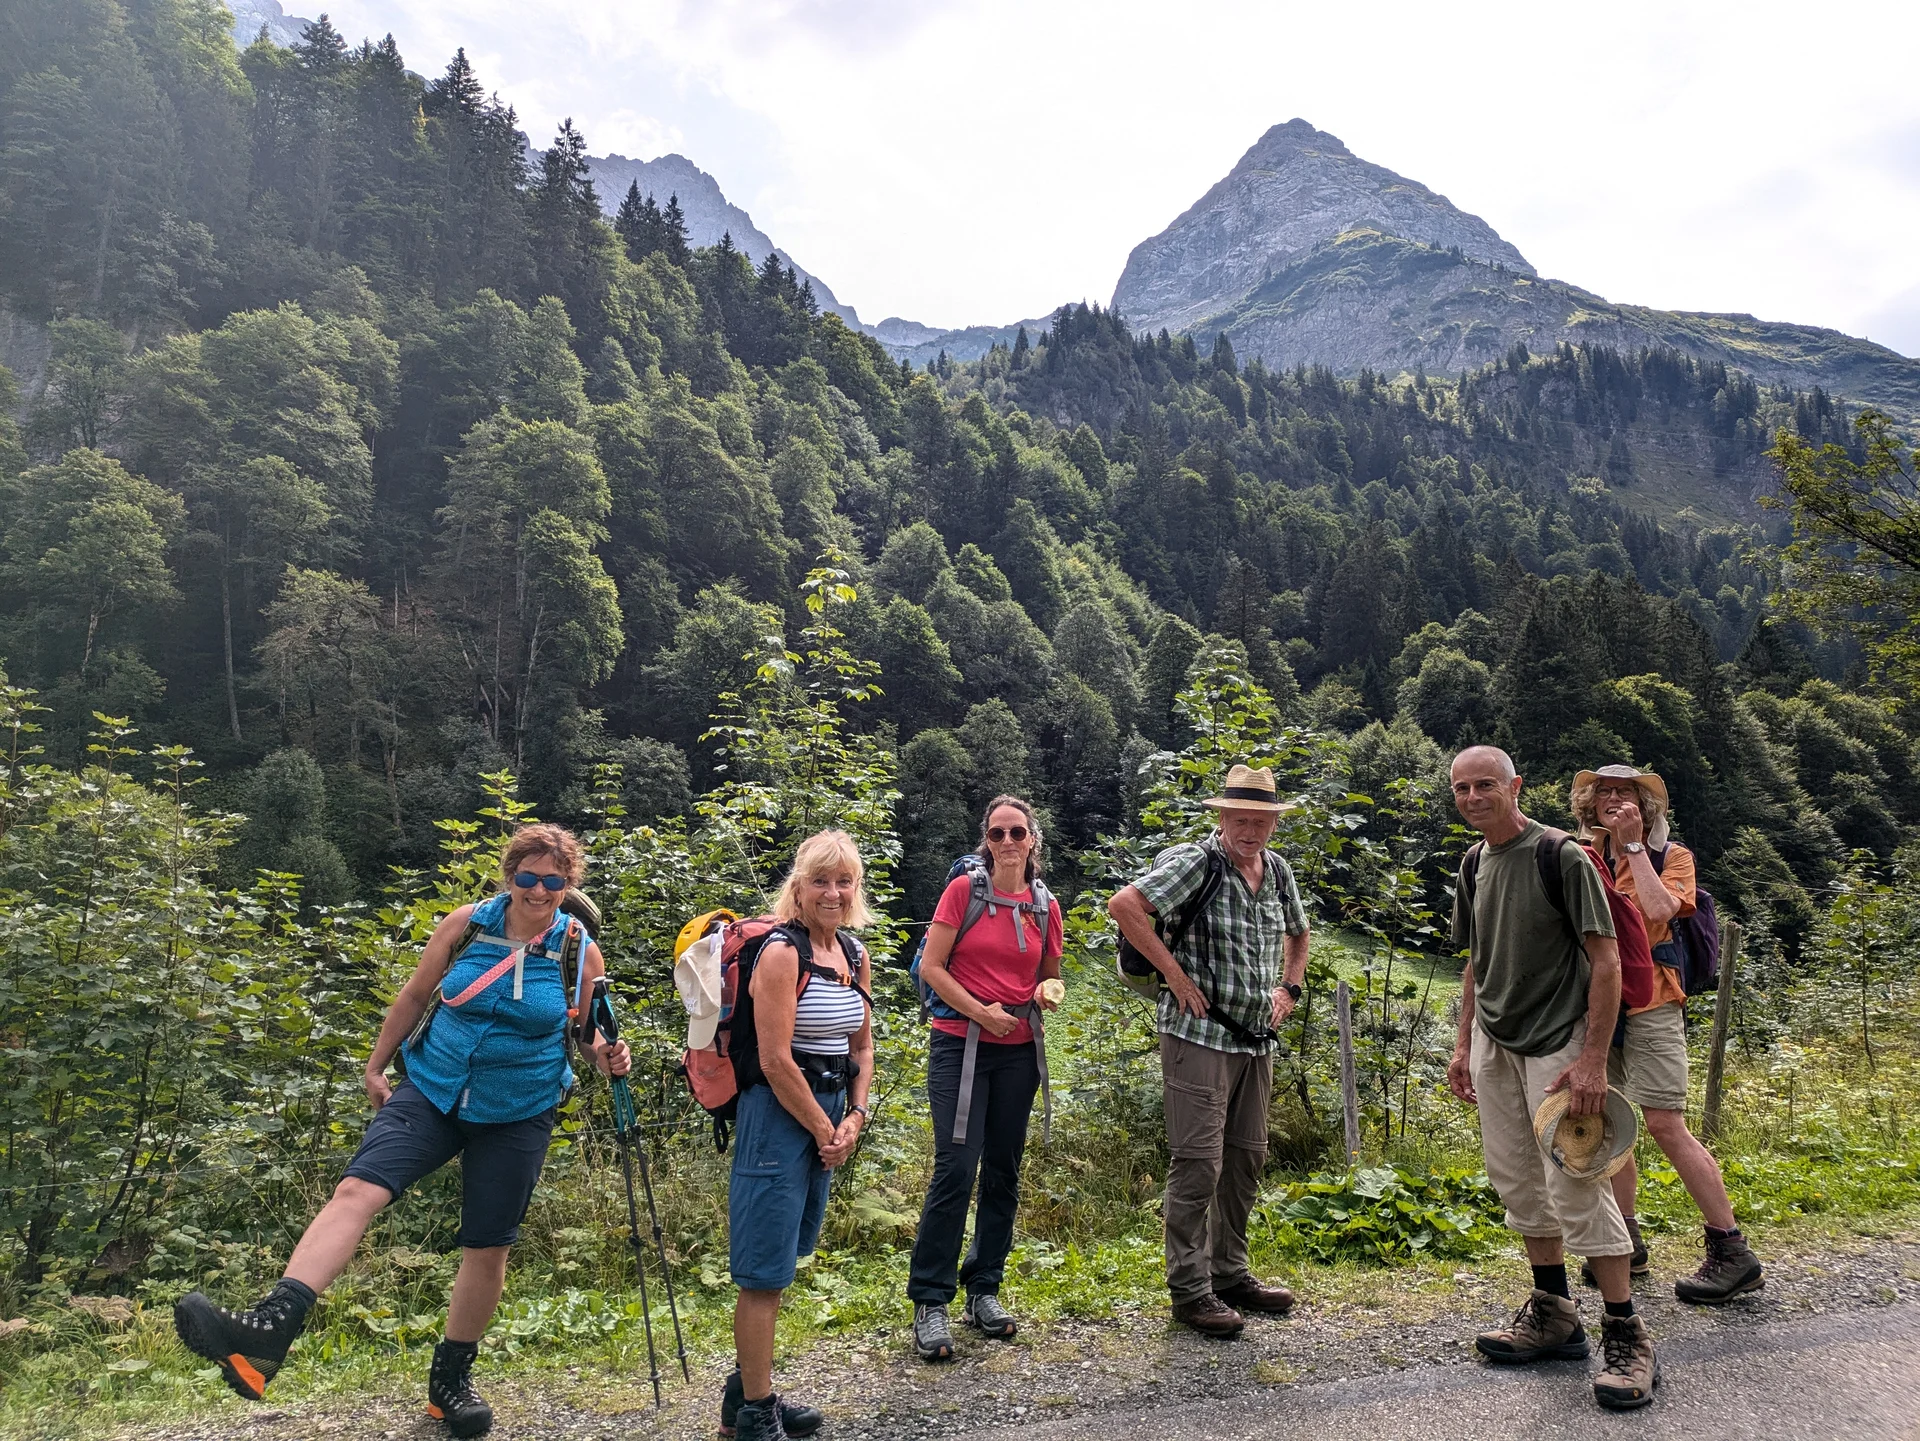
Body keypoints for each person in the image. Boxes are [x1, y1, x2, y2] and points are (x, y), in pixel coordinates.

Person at [173, 823, 631, 1439]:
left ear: (566, 884)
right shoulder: (467, 924)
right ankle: (269, 1330)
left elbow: (585, 1032)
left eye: (553, 880)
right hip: (434, 1087)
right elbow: (416, 997)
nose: (539, 889)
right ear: (509, 876)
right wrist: (375, 1064)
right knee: (357, 1191)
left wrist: (607, 1053)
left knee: (487, 1244)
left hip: (519, 1108)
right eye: (528, 877)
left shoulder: (579, 950)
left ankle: (450, 1383)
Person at [1447, 746, 1659, 1411]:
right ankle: (1553, 1310)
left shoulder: (1561, 854)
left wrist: (1593, 1058)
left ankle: (1627, 1331)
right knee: (1514, 1177)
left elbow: (1605, 962)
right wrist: (1462, 1044)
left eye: (1486, 784)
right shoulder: (1474, 862)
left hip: (1559, 1043)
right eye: (1461, 787)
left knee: (1576, 1178)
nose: (1473, 795)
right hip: (1496, 1041)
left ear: (1517, 785)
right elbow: (1477, 961)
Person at [1107, 763, 1310, 1338]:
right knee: (1198, 1162)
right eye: (1240, 819)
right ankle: (1190, 1290)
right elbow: (1124, 905)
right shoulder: (1196, 862)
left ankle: (1229, 1272)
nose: (1251, 830)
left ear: (1273, 823)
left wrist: (1288, 988)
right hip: (1196, 1034)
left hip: (1254, 1038)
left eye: (1261, 821)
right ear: (1222, 818)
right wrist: (1173, 975)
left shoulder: (1276, 870)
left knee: (1245, 1157)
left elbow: (1299, 933)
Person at [1572, 764, 1764, 1303]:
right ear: (1588, 803)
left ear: (1645, 806)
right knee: (1610, 1123)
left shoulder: (1671, 857)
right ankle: (1627, 1242)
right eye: (1603, 792)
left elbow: (1659, 910)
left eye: (1625, 793)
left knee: (1664, 1123)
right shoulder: (1579, 856)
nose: (1612, 799)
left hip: (1655, 1000)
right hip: (1597, 1007)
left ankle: (1732, 1250)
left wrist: (1634, 848)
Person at [724, 830, 876, 1441]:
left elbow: (861, 1045)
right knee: (763, 1272)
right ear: (799, 886)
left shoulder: (853, 954)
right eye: (821, 880)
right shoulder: (782, 954)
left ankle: (745, 1395)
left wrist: (855, 1119)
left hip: (831, 1114)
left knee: (785, 1258)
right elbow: (774, 1059)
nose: (833, 892)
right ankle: (758, 1413)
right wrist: (824, 1130)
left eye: (844, 881)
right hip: (778, 1119)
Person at [907, 796, 1064, 1361]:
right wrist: (981, 1012)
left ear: (1032, 841)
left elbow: (1049, 974)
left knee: (1004, 1170)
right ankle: (930, 1301)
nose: (1006, 842)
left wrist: (1047, 992)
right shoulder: (962, 893)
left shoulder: (1045, 905)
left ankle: (984, 1291)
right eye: (996, 833)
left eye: (1016, 832)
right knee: (955, 1169)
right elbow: (931, 967)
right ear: (986, 840)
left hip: (1020, 1053)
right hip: (959, 1048)